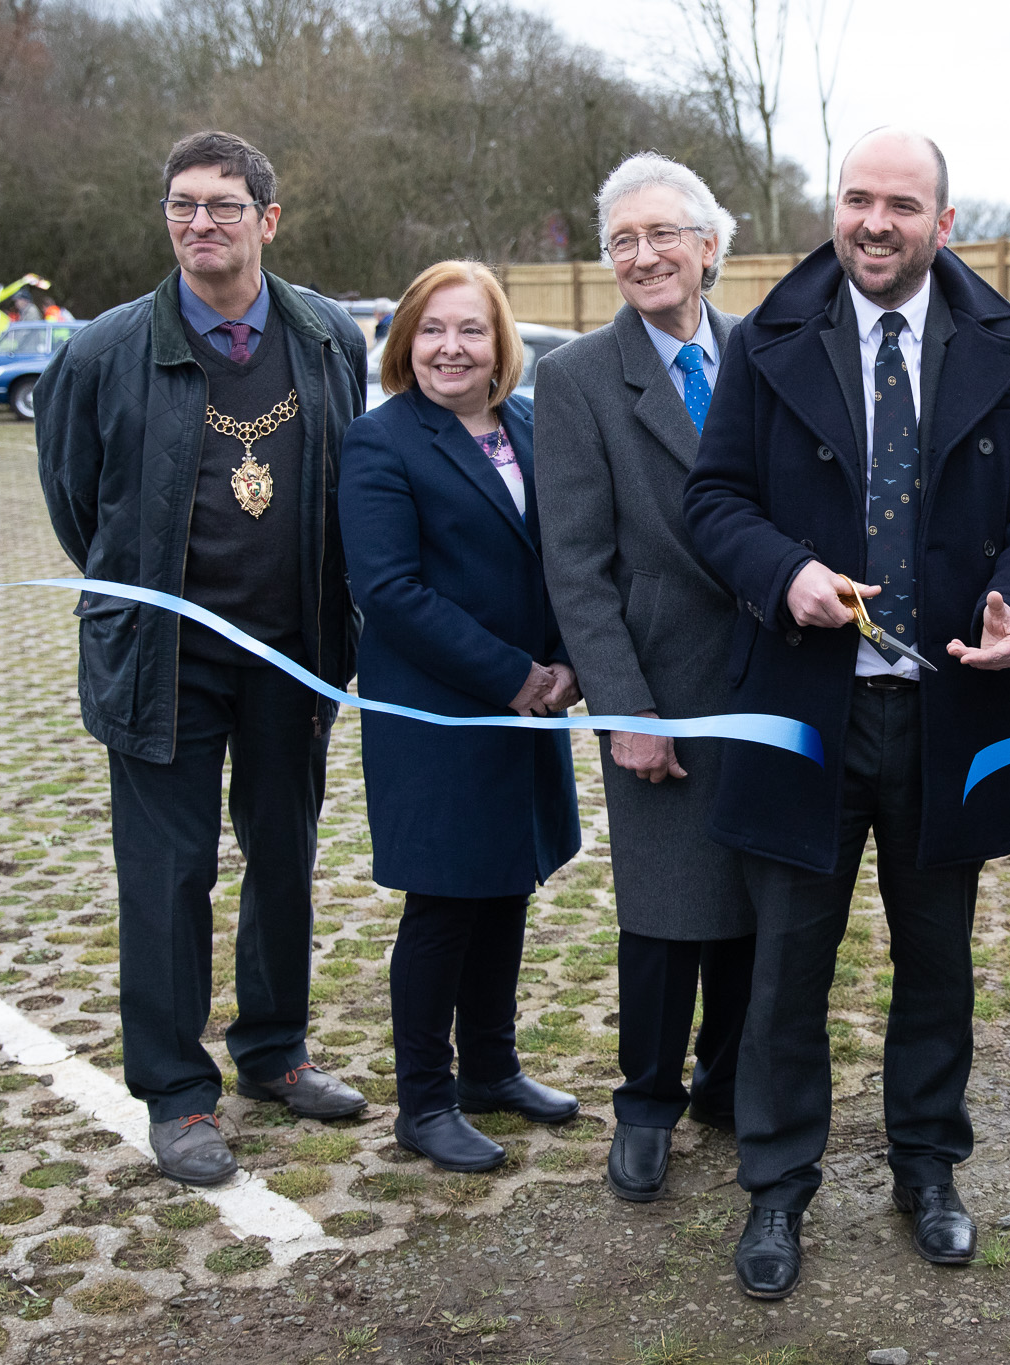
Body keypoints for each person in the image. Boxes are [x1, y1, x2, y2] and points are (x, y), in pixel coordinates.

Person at [683, 126, 1010, 1300]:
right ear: (834, 208)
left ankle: (928, 1168)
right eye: (856, 199)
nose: (873, 222)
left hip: (948, 705)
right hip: (807, 711)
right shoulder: (766, 340)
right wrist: (781, 572)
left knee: (937, 964)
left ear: (941, 223)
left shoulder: (1006, 346)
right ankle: (777, 1187)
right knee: (785, 969)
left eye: (901, 204)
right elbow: (712, 501)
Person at [35, 131, 368, 1184]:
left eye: (224, 206)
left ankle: (273, 1053)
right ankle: (178, 1097)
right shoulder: (101, 351)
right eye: (183, 204)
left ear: (267, 221)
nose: (200, 223)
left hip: (292, 656)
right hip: (161, 665)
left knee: (283, 862)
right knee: (167, 878)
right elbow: (76, 504)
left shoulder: (326, 339)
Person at [533, 152, 754, 1202]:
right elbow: (574, 564)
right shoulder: (576, 378)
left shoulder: (767, 355)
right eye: (622, 239)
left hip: (769, 674)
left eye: (663, 233)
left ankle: (731, 1080)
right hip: (654, 680)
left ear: (710, 245)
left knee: (760, 895)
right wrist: (627, 711)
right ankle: (648, 1102)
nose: (643, 255)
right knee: (662, 911)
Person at [339, 261, 583, 1172]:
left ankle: (491, 1068)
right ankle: (424, 1101)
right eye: (433, 329)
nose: (451, 348)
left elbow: (567, 552)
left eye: (471, 330)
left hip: (531, 703)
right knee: (444, 903)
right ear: (406, 340)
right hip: (440, 714)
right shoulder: (381, 441)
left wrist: (566, 664)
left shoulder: (529, 423)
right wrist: (513, 675)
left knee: (506, 884)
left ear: (499, 343)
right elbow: (390, 591)